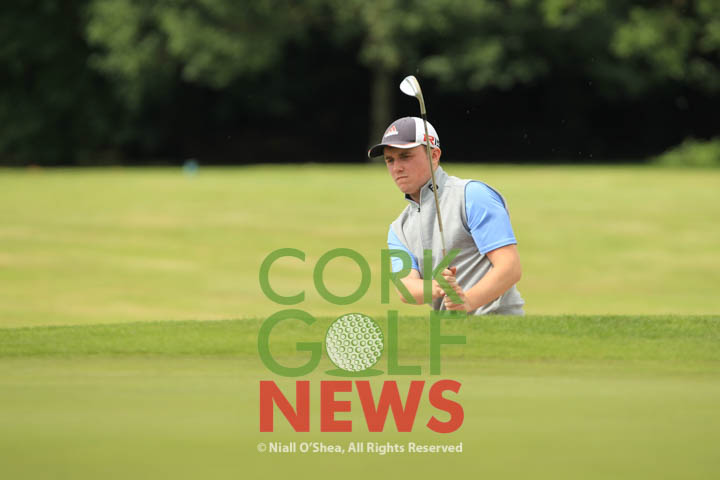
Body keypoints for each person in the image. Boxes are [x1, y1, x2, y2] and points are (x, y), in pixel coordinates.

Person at [368, 116, 525, 315]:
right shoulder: (399, 229)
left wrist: (468, 301)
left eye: (405, 156)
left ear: (434, 155)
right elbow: (406, 287)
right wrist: (438, 287)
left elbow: (510, 267)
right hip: (450, 330)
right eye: (390, 160)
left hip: (498, 324)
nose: (396, 168)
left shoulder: (472, 195)